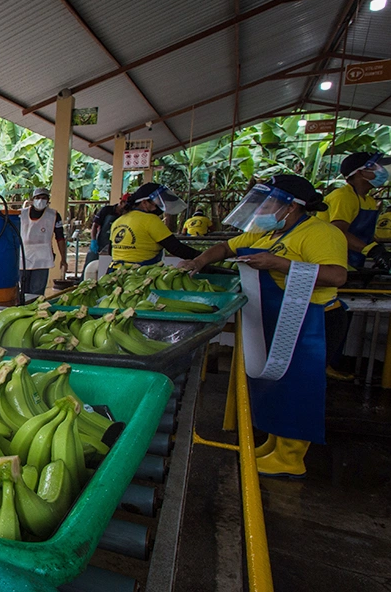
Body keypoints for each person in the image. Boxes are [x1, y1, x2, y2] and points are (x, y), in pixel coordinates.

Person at [179, 175, 347, 477]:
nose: (262, 210)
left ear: (291, 207)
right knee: (275, 384)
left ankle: (290, 457)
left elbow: (336, 276)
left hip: (312, 321)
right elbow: (226, 248)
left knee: (299, 387)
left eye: (268, 203)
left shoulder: (320, 233)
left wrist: (279, 264)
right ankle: (273, 443)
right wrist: (198, 262)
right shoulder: (265, 234)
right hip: (278, 317)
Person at [318, 151, 391, 270]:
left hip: (352, 259)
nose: (382, 170)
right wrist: (371, 250)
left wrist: (379, 249)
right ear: (360, 172)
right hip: (330, 261)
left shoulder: (369, 201)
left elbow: (363, 234)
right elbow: (338, 232)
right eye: (375, 166)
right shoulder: (343, 196)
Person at [109, 183, 200, 267]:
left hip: (115, 273)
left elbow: (110, 250)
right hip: (140, 275)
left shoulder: (118, 220)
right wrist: (203, 258)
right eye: (158, 203)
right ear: (144, 203)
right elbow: (176, 248)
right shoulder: (151, 220)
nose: (160, 207)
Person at [19, 187, 67, 299]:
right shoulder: (21, 214)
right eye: (38, 197)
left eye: (44, 198)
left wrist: (63, 258)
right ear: (33, 199)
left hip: (42, 258)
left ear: (48, 200)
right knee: (21, 290)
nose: (40, 200)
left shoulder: (53, 215)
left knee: (37, 291)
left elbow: (60, 238)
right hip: (23, 256)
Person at [83, 194, 128, 273]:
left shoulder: (126, 214)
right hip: (100, 243)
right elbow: (95, 225)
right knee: (90, 267)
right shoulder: (107, 210)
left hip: (113, 246)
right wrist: (93, 241)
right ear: (121, 202)